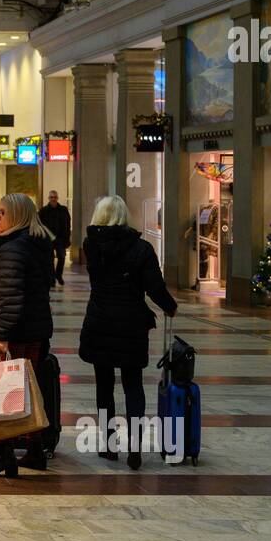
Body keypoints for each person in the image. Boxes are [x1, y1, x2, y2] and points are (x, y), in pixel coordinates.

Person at [78, 195, 178, 471]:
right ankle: (135, 447)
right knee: (133, 386)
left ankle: (109, 444)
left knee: (103, 386)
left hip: (100, 321)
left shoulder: (90, 245)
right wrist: (170, 307)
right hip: (131, 323)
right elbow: (154, 287)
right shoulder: (141, 248)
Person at [0, 192, 56, 478]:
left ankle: (3, 454)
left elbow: (10, 298)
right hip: (34, 331)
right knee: (28, 393)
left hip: (15, 333)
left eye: (1, 213)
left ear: (17, 216)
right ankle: (34, 449)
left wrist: (2, 335)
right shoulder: (36, 245)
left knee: (4, 394)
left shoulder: (12, 250)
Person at [38, 190, 71, 286]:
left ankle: (58, 275)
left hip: (60, 238)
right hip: (47, 239)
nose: (53, 199)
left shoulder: (63, 210)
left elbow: (68, 224)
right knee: (49, 259)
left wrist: (67, 238)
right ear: (49, 198)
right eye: (51, 197)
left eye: (55, 197)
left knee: (62, 257)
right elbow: (39, 225)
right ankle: (51, 278)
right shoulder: (43, 210)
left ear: (57, 198)